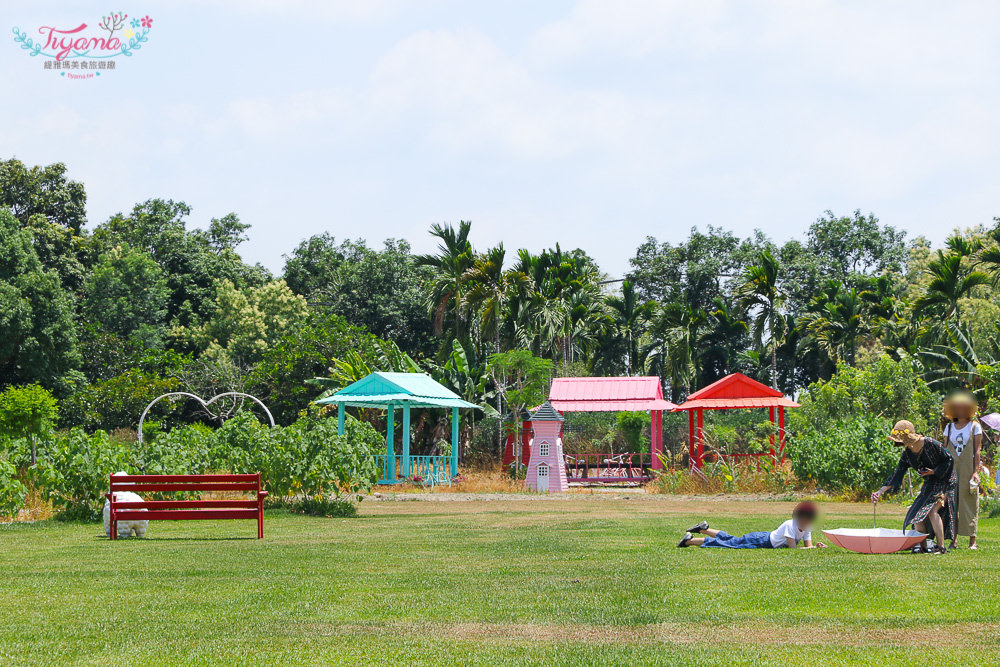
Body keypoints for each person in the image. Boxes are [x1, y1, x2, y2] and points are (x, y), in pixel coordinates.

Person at [872, 420, 957, 555]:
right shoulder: (907, 454)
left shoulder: (930, 443)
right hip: (930, 482)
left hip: (944, 480)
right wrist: (880, 491)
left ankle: (941, 548)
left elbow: (949, 459)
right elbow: (897, 474)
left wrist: (934, 471)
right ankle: (923, 547)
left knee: (932, 511)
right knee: (916, 514)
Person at [677, 501, 827, 549]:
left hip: (763, 538)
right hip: (761, 540)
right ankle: (689, 540)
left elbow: (808, 547)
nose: (806, 522)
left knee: (732, 539)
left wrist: (815, 547)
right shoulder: (790, 525)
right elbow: (793, 549)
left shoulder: (807, 528)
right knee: (731, 544)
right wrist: (812, 549)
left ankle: (704, 529)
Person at [942, 393, 983, 550]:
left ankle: (972, 540)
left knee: (969, 501)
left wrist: (976, 471)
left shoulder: (975, 426)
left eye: (963, 407)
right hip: (952, 467)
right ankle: (953, 539)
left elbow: (977, 450)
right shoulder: (949, 427)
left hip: (968, 467)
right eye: (957, 407)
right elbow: (945, 450)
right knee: (951, 502)